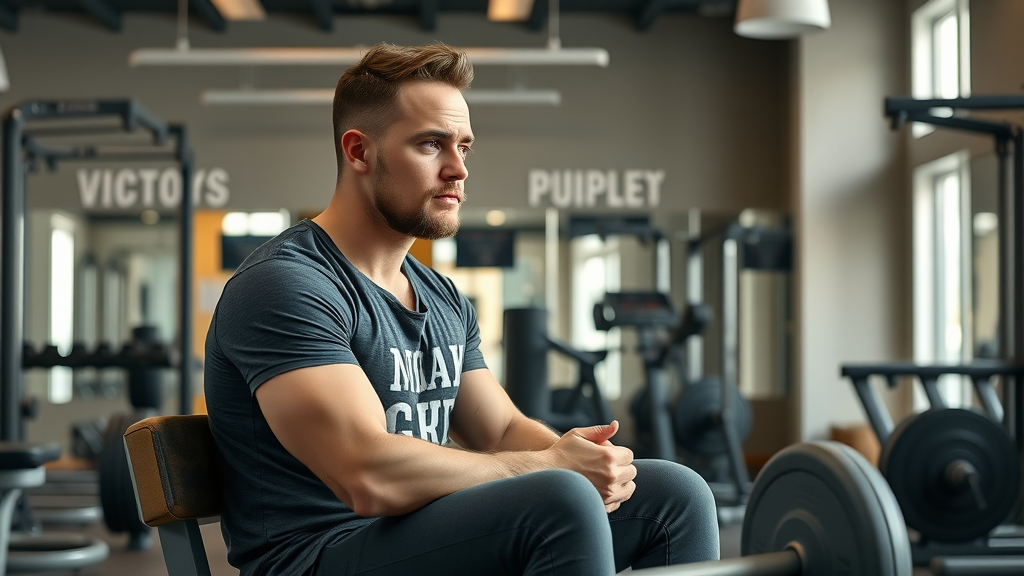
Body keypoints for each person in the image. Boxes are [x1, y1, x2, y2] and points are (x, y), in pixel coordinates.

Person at [204, 42, 720, 576]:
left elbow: (498, 432)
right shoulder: (286, 285)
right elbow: (367, 473)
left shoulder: (441, 296)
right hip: (316, 557)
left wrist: (582, 459)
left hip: (414, 536)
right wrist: (552, 469)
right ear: (359, 152)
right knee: (559, 502)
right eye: (431, 145)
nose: (459, 169)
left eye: (464, 147)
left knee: (673, 495)